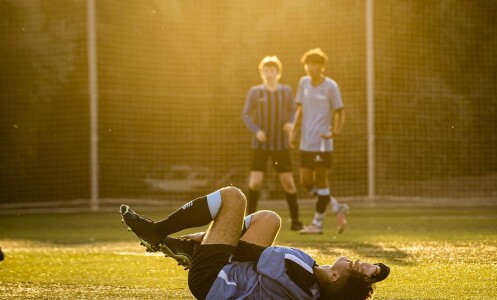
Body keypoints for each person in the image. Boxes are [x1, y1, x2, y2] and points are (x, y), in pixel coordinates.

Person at [119, 186, 390, 300]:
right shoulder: (314, 289)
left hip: (212, 279)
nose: (355, 261)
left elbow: (244, 249)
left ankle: (158, 231)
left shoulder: (299, 270)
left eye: (353, 267)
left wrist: (205, 238)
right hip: (225, 283)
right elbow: (350, 289)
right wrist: (373, 273)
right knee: (270, 219)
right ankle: (192, 250)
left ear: (333, 276)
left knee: (233, 198)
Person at [290, 48, 348, 235]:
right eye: (308, 64)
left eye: (315, 64)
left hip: (323, 142)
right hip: (306, 142)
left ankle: (317, 224)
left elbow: (340, 111)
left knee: (321, 180)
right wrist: (293, 129)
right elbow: (299, 109)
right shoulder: (303, 83)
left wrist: (336, 131)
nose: (310, 67)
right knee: (306, 182)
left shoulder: (331, 86)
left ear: (322, 66)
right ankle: (336, 206)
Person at [241, 55, 303, 231]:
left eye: (272, 71)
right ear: (262, 73)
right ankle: (247, 223)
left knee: (288, 182)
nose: (269, 74)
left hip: (280, 146)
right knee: (255, 183)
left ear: (278, 73)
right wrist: (256, 131)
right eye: (266, 71)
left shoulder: (285, 91)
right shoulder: (255, 92)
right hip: (260, 146)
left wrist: (290, 123)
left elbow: (293, 111)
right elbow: (245, 114)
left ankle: (296, 221)